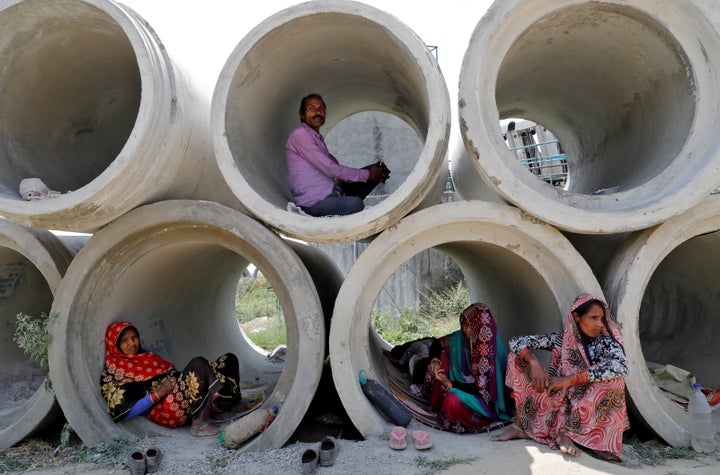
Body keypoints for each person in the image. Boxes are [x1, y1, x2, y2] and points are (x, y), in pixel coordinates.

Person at [490, 293, 629, 462]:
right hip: (557, 401)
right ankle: (520, 427)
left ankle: (568, 434)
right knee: (517, 357)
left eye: (601, 318)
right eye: (593, 318)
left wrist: (569, 380)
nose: (599, 324)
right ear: (577, 317)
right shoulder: (562, 339)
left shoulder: (605, 341)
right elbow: (517, 341)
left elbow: (620, 366)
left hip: (588, 406)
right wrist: (533, 363)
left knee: (614, 380)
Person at [100, 321, 242, 437]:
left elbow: (170, 374)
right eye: (125, 340)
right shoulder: (114, 372)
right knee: (198, 364)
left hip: (176, 391)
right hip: (165, 410)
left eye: (134, 337)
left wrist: (179, 380)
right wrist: (158, 394)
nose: (132, 343)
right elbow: (122, 413)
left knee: (228, 360)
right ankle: (199, 425)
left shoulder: (144, 356)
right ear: (115, 345)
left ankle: (221, 403)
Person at [286, 93, 391, 217]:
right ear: (302, 114)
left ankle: (343, 203)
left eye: (321, 108)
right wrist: (368, 175)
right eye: (311, 108)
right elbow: (330, 168)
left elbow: (336, 170)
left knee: (377, 171)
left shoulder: (316, 138)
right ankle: (345, 205)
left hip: (334, 191)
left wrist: (373, 173)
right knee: (356, 204)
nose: (318, 112)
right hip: (315, 203)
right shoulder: (300, 135)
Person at [422, 303, 514, 433]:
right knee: (441, 358)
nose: (466, 329)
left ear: (482, 327)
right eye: (464, 324)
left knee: (452, 400)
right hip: (459, 386)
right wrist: (435, 360)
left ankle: (468, 417)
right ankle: (437, 403)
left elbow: (483, 392)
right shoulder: (462, 338)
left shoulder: (489, 352)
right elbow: (437, 343)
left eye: (471, 326)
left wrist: (450, 384)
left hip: (484, 400)